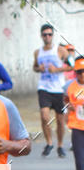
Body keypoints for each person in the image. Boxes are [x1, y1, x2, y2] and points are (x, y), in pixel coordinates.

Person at [33, 23, 68, 157]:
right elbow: (34, 67)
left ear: (52, 36)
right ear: (41, 36)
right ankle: (49, 143)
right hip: (44, 88)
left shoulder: (60, 51)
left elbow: (71, 67)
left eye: (49, 34)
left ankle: (60, 145)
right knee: (44, 116)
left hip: (59, 89)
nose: (47, 37)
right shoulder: (38, 52)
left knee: (60, 120)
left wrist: (57, 69)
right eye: (45, 34)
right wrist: (39, 69)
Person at [63, 56, 84, 170]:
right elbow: (64, 101)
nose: (82, 75)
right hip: (77, 129)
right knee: (80, 165)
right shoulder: (69, 87)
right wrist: (67, 106)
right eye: (79, 72)